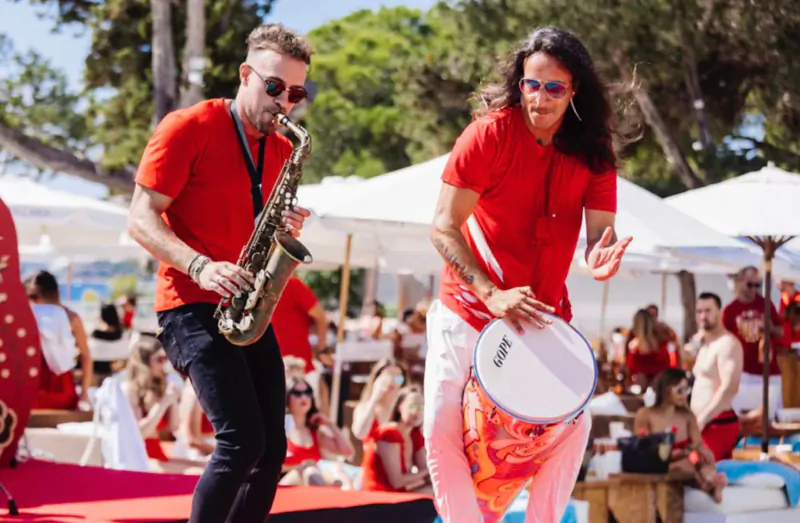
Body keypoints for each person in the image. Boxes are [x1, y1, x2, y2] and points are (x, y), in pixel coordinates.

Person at [425, 27, 632, 522]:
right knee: (437, 426)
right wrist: (491, 294)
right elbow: (442, 228)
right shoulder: (489, 133)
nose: (539, 98)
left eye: (554, 88)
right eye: (531, 85)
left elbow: (599, 236)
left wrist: (600, 259)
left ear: (575, 89)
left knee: (575, 426)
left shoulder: (594, 149)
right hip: (469, 306)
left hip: (541, 316)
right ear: (519, 82)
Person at [128, 24, 313, 522]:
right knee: (241, 440)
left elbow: (250, 219)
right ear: (244, 74)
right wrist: (200, 265)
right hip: (189, 302)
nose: (285, 103)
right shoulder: (187, 127)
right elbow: (140, 218)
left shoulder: (279, 147)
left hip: (244, 307)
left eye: (296, 93)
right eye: (274, 87)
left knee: (272, 449)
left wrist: (282, 226)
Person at [634, 369, 727, 503]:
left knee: (699, 460)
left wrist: (706, 453)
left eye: (686, 390)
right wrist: (681, 453)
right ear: (665, 390)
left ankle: (710, 480)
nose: (684, 395)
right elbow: (644, 446)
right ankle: (706, 483)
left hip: (689, 457)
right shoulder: (646, 414)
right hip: (660, 462)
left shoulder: (687, 416)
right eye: (679, 390)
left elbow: (698, 443)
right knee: (685, 464)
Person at [686, 292, 743, 461]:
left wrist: (702, 419)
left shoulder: (727, 344)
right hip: (704, 422)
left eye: (708, 311)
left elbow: (729, 388)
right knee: (708, 474)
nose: (703, 316)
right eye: (699, 311)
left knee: (699, 470)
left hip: (716, 422)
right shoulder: (705, 344)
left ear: (720, 312)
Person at [722, 266, 784, 420]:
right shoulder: (730, 310)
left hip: (769, 369)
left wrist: (771, 328)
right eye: (750, 284)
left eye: (758, 285)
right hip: (744, 372)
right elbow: (723, 339)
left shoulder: (766, 304)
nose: (754, 289)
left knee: (773, 416)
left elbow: (781, 331)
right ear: (740, 282)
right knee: (745, 416)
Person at [27, 271, 94, 410]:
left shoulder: (26, 316)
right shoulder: (72, 317)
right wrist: (84, 393)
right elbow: (86, 356)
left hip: (30, 386)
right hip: (63, 386)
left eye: (32, 296)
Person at [280, 377, 355, 488]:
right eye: (297, 393)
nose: (304, 397)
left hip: (311, 483)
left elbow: (348, 452)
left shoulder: (315, 433)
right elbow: (272, 468)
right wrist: (302, 466)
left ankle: (349, 502)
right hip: (285, 485)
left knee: (338, 472)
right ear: (286, 398)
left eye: (307, 392)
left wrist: (331, 425)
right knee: (309, 469)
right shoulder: (282, 429)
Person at [361, 385, 429, 493]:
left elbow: (425, 472)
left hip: (398, 495)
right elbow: (396, 481)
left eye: (422, 408)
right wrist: (429, 471)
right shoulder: (388, 434)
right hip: (379, 497)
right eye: (412, 406)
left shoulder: (414, 435)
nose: (417, 412)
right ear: (399, 407)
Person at [271, 276, 330, 373]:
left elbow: (320, 317)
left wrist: (322, 349)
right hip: (270, 367)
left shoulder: (291, 284)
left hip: (299, 367)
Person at [626, 309, 672, 390]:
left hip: (642, 389)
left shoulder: (634, 349)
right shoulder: (663, 343)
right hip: (661, 387)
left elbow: (630, 369)